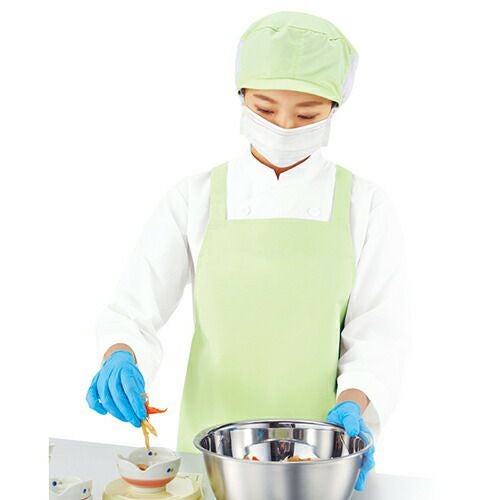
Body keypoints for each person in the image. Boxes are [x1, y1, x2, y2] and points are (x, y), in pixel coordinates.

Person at [86, 11, 409, 491]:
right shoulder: (194, 198)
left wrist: (354, 403)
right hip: (209, 457)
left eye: (307, 114)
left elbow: (377, 334)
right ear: (241, 96)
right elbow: (134, 306)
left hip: (318, 457)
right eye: (265, 107)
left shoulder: (364, 206)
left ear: (334, 108)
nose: (284, 126)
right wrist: (121, 356)